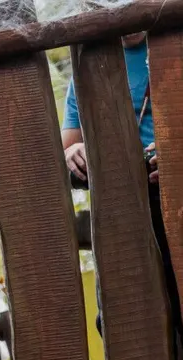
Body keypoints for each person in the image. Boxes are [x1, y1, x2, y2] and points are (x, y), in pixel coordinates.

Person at [61, 31, 179, 339]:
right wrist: (72, 152)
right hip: (120, 206)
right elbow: (66, 147)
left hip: (174, 199)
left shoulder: (174, 40)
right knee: (122, 319)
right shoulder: (86, 66)